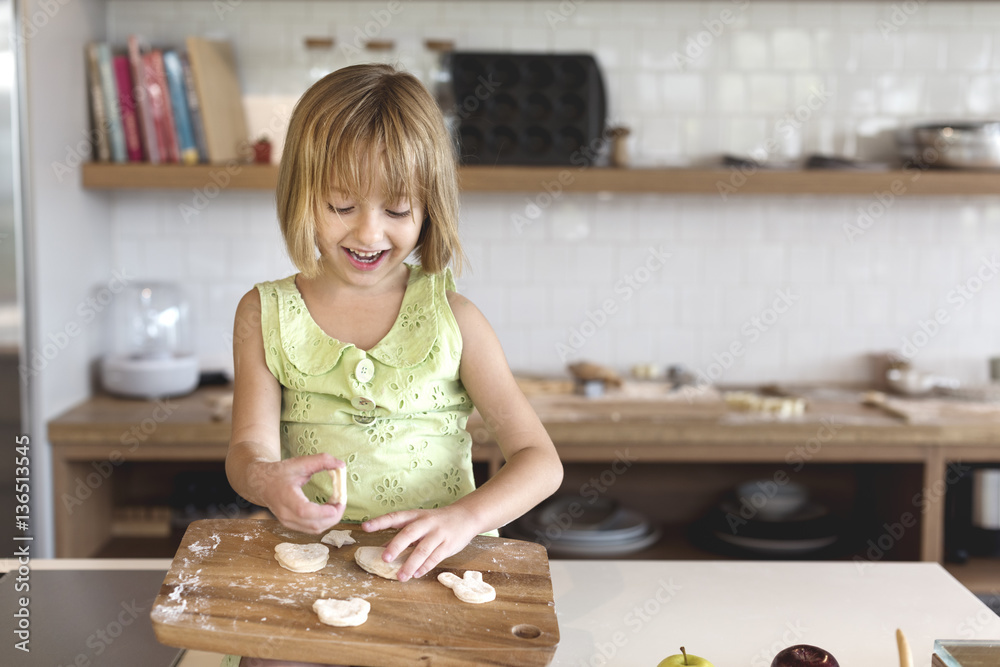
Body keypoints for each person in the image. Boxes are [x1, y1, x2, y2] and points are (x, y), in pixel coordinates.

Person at [223, 64, 564, 667]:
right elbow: (247, 449)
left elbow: (541, 462)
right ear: (302, 194)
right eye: (341, 204)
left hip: (439, 568)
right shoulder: (263, 313)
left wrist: (465, 518)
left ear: (430, 208)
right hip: (313, 568)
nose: (368, 231)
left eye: (398, 210)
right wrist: (264, 480)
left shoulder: (455, 319)